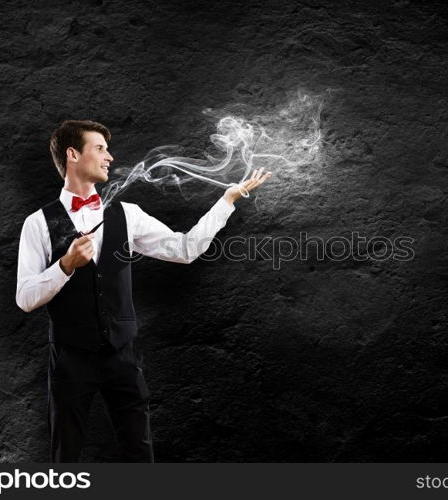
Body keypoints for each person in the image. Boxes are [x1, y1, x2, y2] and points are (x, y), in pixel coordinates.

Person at [15, 119, 271, 462]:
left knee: (139, 450)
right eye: (100, 148)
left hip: (122, 356)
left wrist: (226, 201)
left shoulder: (128, 214)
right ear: (73, 155)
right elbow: (25, 298)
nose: (110, 157)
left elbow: (184, 250)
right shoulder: (37, 223)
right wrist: (65, 266)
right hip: (70, 359)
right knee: (66, 454)